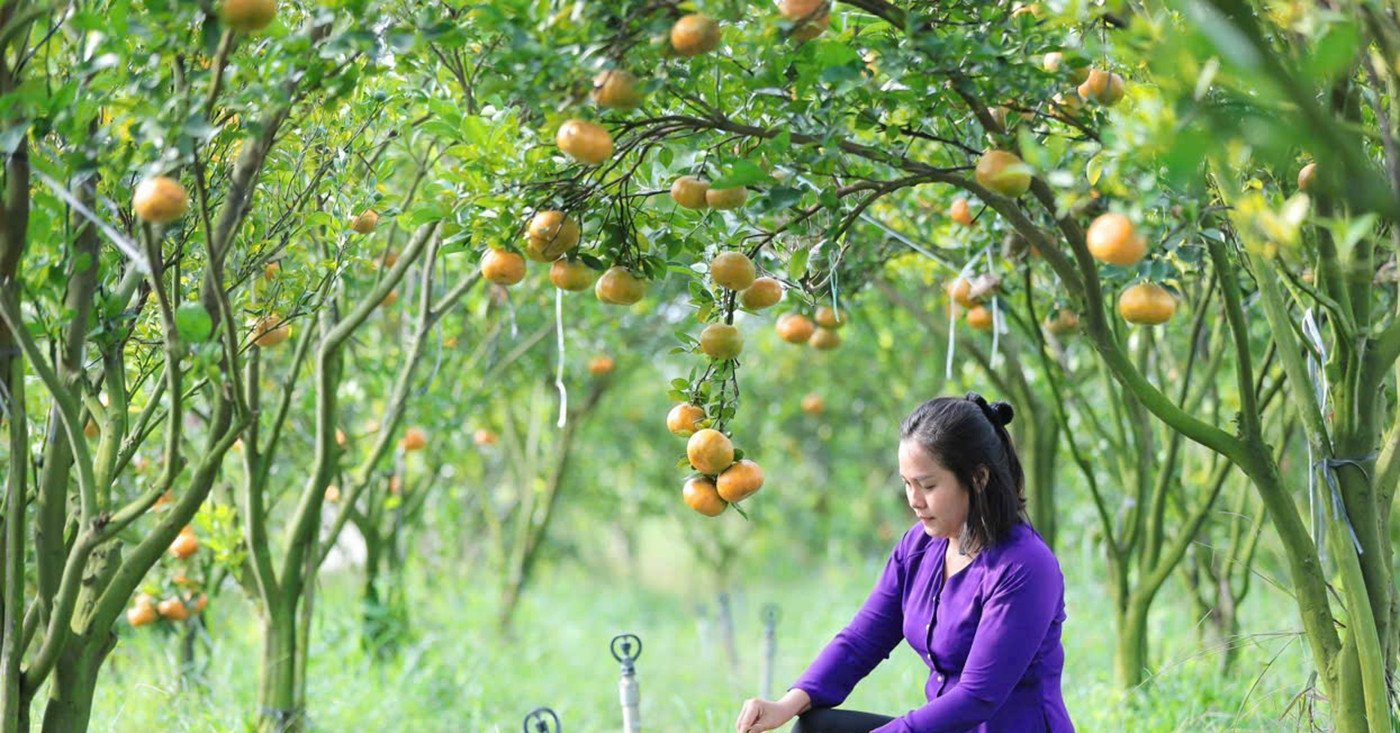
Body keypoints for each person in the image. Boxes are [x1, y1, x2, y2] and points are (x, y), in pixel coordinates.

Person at [734, 393, 1074, 733]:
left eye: (927, 485)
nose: (914, 500)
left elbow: (977, 696)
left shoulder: (1024, 567)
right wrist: (786, 704)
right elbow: (860, 641)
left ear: (979, 478)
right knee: (814, 728)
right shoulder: (920, 547)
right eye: (907, 484)